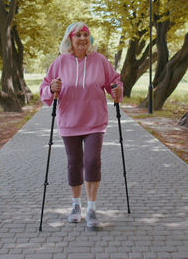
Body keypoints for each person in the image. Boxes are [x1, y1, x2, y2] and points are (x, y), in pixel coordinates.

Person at [39, 22, 123, 228]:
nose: (83, 38)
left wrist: (117, 89)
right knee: (74, 163)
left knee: (92, 161)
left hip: (95, 121)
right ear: (70, 39)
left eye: (86, 35)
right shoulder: (60, 62)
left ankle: (92, 208)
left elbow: (114, 82)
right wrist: (51, 88)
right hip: (69, 121)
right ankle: (76, 204)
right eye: (78, 35)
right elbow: (44, 90)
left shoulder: (100, 61)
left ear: (90, 39)